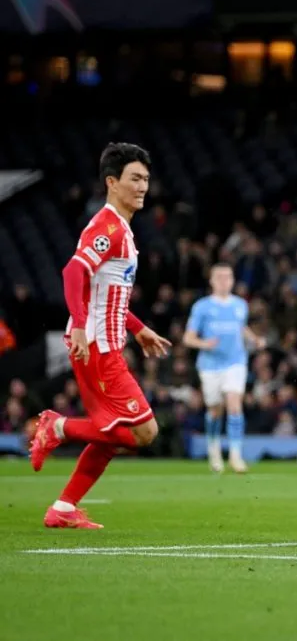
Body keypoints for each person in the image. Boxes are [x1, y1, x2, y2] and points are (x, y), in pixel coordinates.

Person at [28, 143, 171, 529]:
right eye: (134, 178)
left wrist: (138, 329)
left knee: (111, 434)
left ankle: (63, 509)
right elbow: (73, 272)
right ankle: (57, 427)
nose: (143, 187)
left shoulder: (121, 228)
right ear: (112, 182)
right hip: (97, 348)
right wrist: (77, 324)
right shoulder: (108, 228)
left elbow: (107, 294)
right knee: (144, 432)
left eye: (146, 179)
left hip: (103, 344)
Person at [183, 263, 265, 474]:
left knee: (234, 405)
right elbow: (188, 338)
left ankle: (236, 456)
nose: (223, 281)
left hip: (235, 362)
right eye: (219, 277)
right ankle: (214, 450)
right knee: (214, 410)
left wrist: (254, 339)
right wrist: (204, 344)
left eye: (227, 277)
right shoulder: (202, 307)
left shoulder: (240, 305)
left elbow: (240, 327)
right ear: (211, 281)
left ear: (233, 280)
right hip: (210, 365)